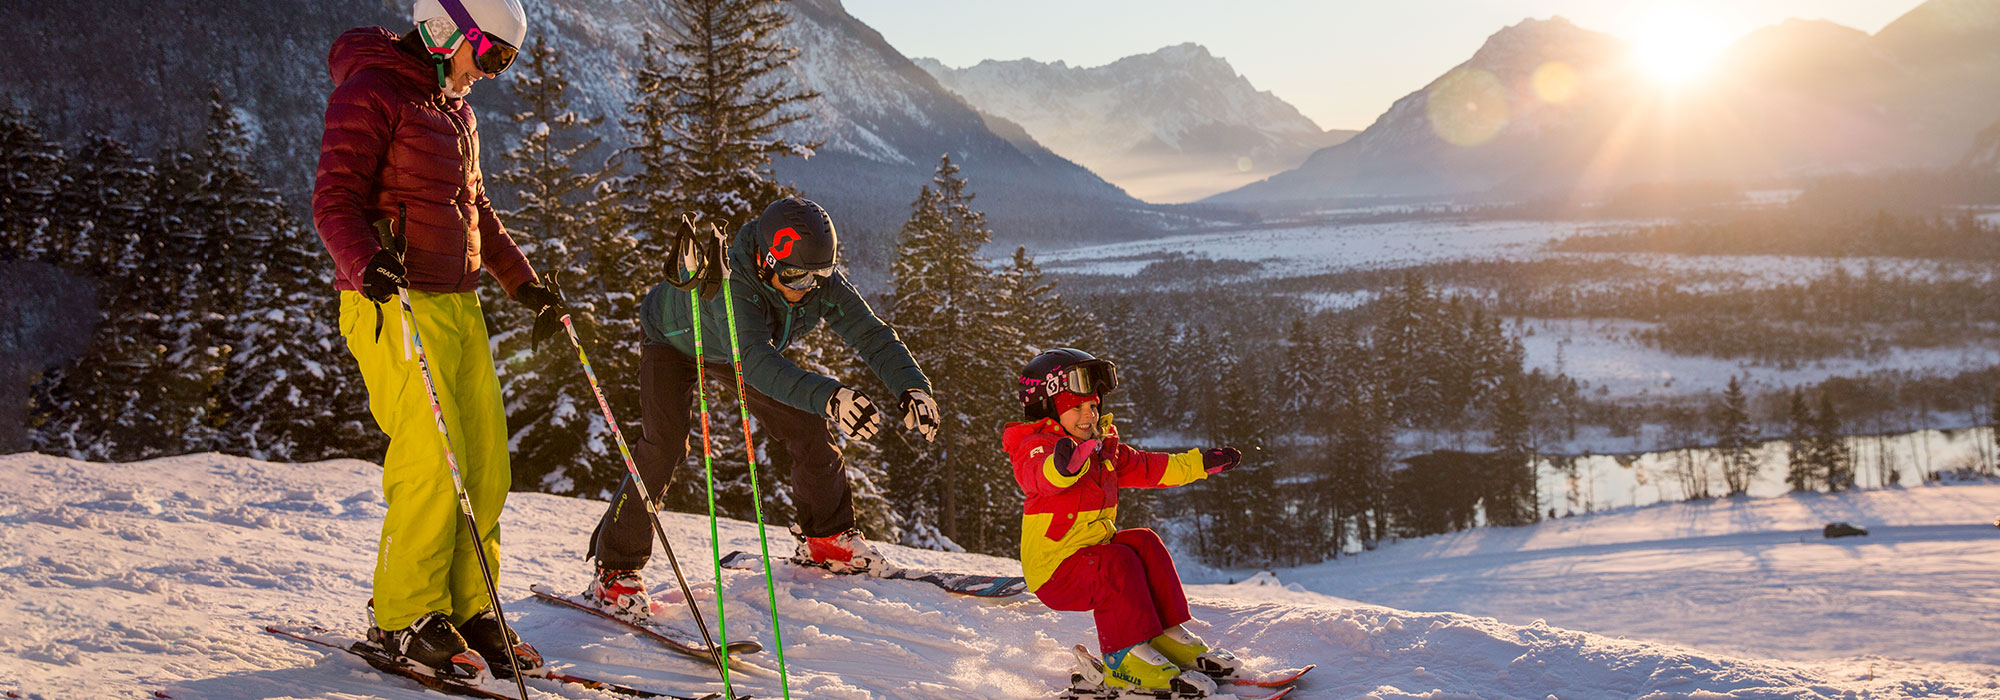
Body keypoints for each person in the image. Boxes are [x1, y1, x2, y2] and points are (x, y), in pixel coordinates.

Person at [313, 0, 565, 680]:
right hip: (390, 299)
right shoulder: (372, 91)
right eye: (491, 57)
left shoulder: (454, 110)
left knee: (483, 462)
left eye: (503, 62)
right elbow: (333, 199)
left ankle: (468, 606)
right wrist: (367, 263)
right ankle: (403, 614)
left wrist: (525, 284)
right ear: (449, 30)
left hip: (457, 302)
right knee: (431, 456)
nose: (491, 73)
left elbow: (472, 205)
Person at [582, 196, 940, 622]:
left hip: (743, 351)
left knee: (806, 423)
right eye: (792, 275)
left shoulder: (818, 283)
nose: (802, 287)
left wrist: (912, 388)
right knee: (664, 447)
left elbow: (872, 335)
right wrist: (831, 395)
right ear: (765, 259)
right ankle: (615, 568)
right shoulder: (731, 281)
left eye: (815, 277)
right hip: (674, 340)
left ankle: (826, 537)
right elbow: (755, 363)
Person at [1002, 348, 1245, 693]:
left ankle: (1162, 636)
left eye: (1093, 406)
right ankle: (1124, 660)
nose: (1089, 415)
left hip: (1090, 555)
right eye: (1077, 408)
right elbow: (1036, 476)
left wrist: (1200, 464)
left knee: (1142, 542)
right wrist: (1062, 466)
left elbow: (1152, 467)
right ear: (1050, 410)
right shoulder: (1036, 446)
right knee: (1116, 562)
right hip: (1054, 571)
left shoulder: (1102, 450)